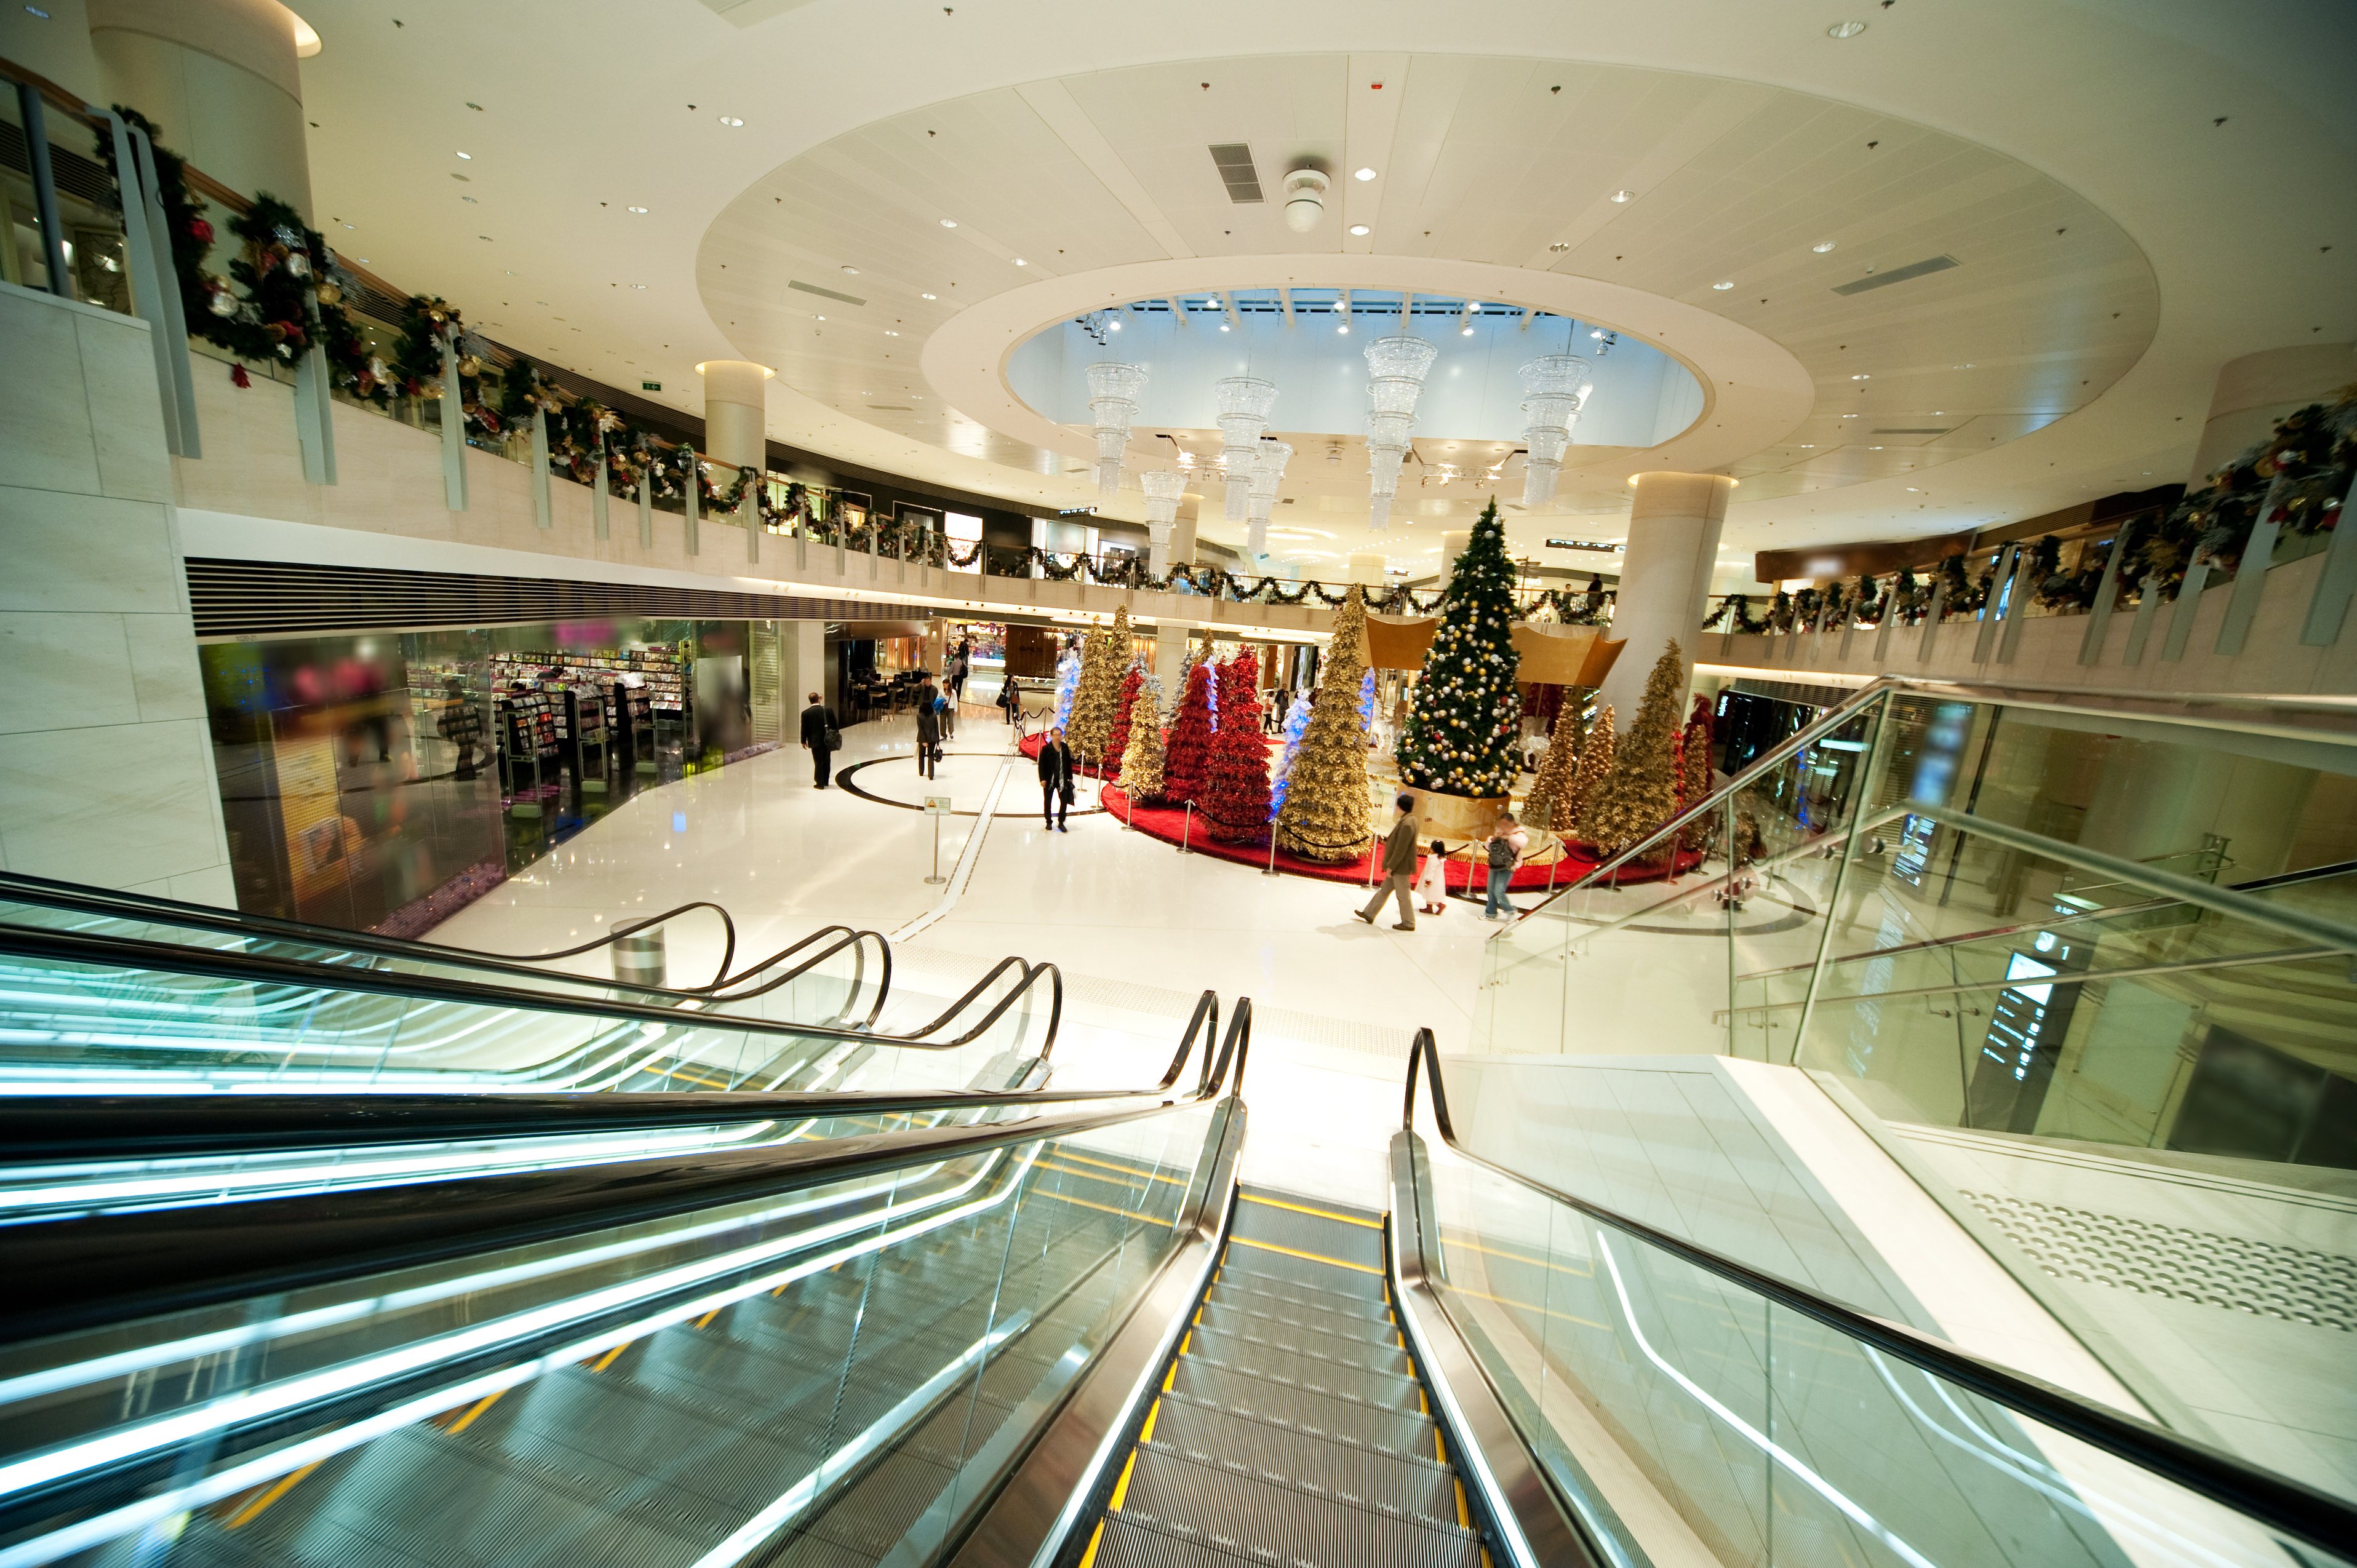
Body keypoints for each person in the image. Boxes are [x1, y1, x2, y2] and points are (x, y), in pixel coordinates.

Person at [1354, 793, 1421, 930]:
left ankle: (1409, 923)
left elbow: (1400, 849)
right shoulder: (1411, 820)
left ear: (1400, 807)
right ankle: (1369, 914)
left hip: (1400, 867)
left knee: (1403, 895)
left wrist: (1391, 866)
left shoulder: (1407, 824)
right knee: (1384, 890)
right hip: (1399, 866)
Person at [436, 675, 483, 779]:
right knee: (465, 752)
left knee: (468, 751)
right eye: (458, 686)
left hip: (467, 727)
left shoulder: (457, 698)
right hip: (462, 729)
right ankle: (463, 773)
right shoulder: (453, 699)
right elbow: (452, 715)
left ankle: (467, 771)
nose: (460, 687)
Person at [1485, 811, 1529, 921]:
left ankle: (1510, 910)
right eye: (1501, 824)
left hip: (1508, 866)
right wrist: (1493, 839)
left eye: (1505, 824)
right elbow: (1488, 847)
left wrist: (1508, 837)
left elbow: (1523, 843)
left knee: (1499, 890)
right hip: (1495, 863)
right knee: (1491, 890)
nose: (1503, 826)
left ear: (1512, 823)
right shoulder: (1499, 832)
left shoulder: (1519, 834)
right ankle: (1491, 913)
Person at [1037, 725, 1074, 831]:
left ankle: (1061, 822)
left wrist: (1070, 777)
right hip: (1049, 780)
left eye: (1060, 735)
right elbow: (1042, 765)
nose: (1058, 737)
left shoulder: (1065, 748)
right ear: (1052, 736)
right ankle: (1049, 821)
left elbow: (1068, 763)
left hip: (1062, 780)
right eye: (1056, 735)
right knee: (1048, 802)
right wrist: (1043, 779)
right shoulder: (1046, 749)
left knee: (1064, 801)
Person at [799, 690, 838, 789]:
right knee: (827, 760)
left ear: (810, 701)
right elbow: (835, 725)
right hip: (827, 740)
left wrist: (803, 741)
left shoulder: (806, 713)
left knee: (818, 762)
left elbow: (804, 728)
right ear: (818, 699)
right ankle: (826, 781)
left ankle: (819, 783)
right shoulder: (828, 710)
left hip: (815, 741)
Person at [914, 677, 942, 779]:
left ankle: (921, 772)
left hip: (923, 739)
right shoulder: (934, 716)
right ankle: (931, 775)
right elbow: (936, 728)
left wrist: (923, 740)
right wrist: (938, 740)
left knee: (921, 755)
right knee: (930, 756)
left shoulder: (919, 717)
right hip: (933, 738)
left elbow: (921, 730)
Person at [1415, 837, 1450, 917]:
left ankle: (1440, 905)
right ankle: (1429, 908)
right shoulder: (1439, 858)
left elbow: (1431, 871)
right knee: (1429, 894)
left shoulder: (1434, 860)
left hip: (1432, 881)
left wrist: (1428, 880)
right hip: (1437, 880)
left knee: (1431, 895)